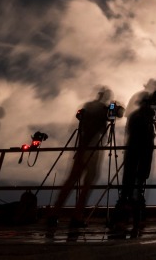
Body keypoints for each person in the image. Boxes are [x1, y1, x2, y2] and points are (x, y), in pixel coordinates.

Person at [49, 88, 110, 229]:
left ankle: (54, 214)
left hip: (83, 146)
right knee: (86, 183)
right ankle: (76, 217)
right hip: (92, 148)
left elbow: (82, 124)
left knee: (71, 180)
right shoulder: (100, 109)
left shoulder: (88, 106)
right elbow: (99, 129)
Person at [118, 84, 156, 210]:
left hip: (136, 141)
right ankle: (130, 199)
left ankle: (128, 199)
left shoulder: (138, 106)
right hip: (139, 141)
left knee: (135, 171)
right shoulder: (139, 104)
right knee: (135, 171)